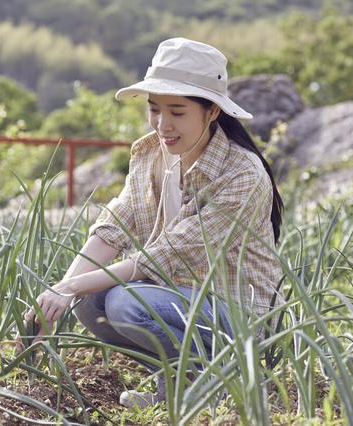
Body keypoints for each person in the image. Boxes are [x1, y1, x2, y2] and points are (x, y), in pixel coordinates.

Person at [22, 37, 283, 408]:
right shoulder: (149, 153)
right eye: (155, 109)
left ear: (212, 112)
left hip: (238, 316)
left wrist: (69, 287)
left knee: (127, 304)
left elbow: (164, 255)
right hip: (179, 300)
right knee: (90, 302)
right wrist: (63, 289)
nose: (163, 124)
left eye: (177, 112)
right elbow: (115, 225)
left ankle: (228, 388)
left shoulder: (241, 174)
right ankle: (179, 389)